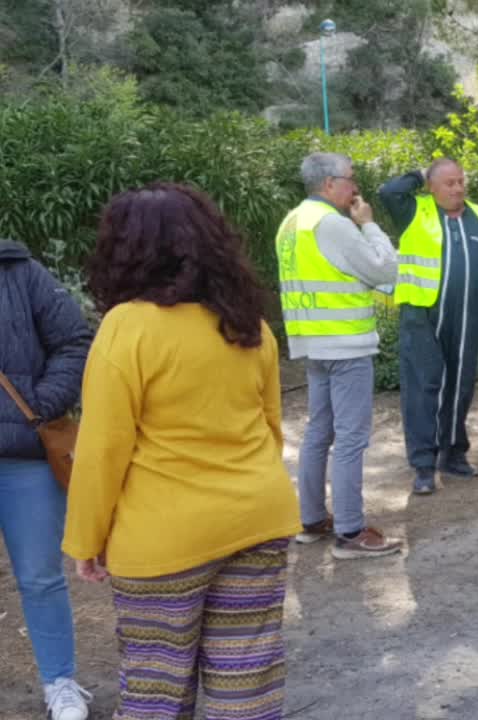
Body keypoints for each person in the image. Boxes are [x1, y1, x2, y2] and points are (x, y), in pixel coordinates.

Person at [64, 184, 302, 720]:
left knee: (157, 691)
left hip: (162, 541)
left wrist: (85, 538)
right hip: (257, 519)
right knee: (246, 684)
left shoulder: (126, 329)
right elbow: (270, 428)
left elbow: (103, 448)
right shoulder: (248, 325)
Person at [278, 152, 402, 558]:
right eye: (350, 179)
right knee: (350, 438)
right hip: (346, 344)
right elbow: (384, 270)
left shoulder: (292, 222)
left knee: (318, 432)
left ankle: (311, 520)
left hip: (313, 343)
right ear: (329, 184)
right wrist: (367, 224)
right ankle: (350, 531)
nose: (355, 187)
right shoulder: (332, 224)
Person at [379, 159, 478, 495]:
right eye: (449, 183)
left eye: (461, 181)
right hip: (422, 316)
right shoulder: (414, 211)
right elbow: (387, 191)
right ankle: (423, 464)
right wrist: (419, 173)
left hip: (469, 315)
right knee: (424, 386)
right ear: (432, 186)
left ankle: (453, 452)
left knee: (460, 384)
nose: (458, 188)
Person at [0, 239, 92, 720]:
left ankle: (61, 682)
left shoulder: (17, 269)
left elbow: (74, 340)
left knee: (40, 577)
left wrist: (41, 405)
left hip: (24, 454)